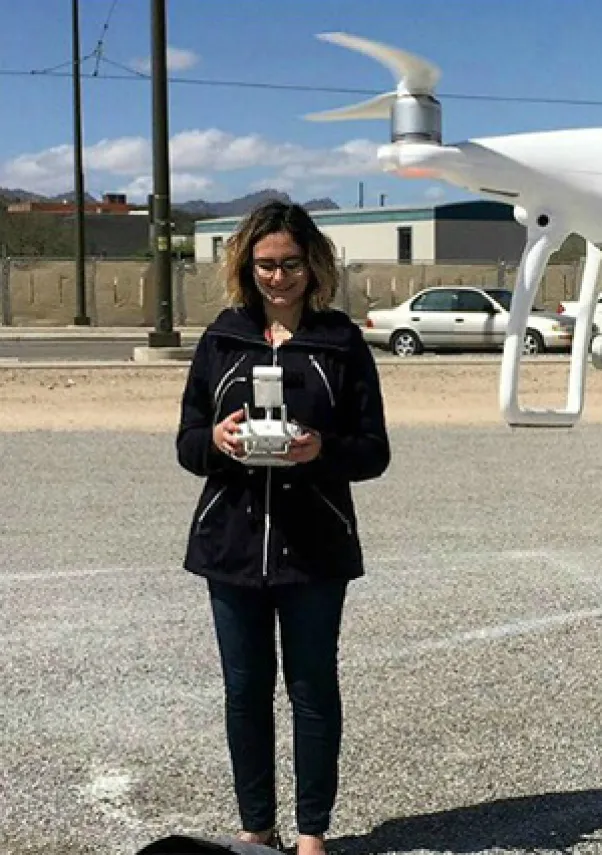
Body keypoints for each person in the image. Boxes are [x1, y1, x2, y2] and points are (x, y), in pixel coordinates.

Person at [175, 201, 391, 855]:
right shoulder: (222, 338)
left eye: (290, 263)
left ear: (313, 264)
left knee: (312, 687)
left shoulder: (340, 342)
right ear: (246, 266)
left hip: (315, 548)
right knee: (244, 689)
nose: (278, 277)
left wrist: (318, 448)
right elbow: (186, 443)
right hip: (230, 545)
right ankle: (255, 825)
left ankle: (311, 832)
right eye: (265, 264)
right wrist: (215, 439)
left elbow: (374, 449)